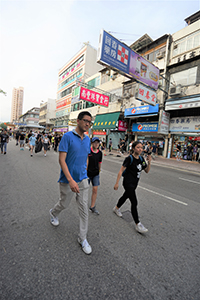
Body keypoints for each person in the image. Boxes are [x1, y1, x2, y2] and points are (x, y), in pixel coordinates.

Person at [49, 111, 92, 255]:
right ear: (78, 121)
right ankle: (54, 213)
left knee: (84, 209)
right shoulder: (67, 137)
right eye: (85, 121)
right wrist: (71, 180)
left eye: (90, 122)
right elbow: (61, 160)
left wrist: (84, 171)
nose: (88, 124)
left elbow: (86, 156)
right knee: (64, 204)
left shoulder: (87, 139)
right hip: (67, 180)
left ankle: (82, 238)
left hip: (83, 179)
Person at [113, 141, 151, 234]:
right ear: (133, 148)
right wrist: (117, 183)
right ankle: (138, 224)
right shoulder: (129, 158)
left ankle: (116, 208)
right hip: (127, 183)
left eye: (141, 147)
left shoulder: (141, 159)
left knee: (125, 196)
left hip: (134, 184)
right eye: (138, 147)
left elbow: (146, 171)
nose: (140, 149)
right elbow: (121, 171)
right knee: (134, 202)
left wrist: (149, 162)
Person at [87, 137, 103, 215]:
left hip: (96, 174)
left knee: (95, 190)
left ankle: (92, 206)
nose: (96, 144)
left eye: (97, 143)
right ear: (92, 143)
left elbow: (100, 163)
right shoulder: (88, 151)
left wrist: (99, 171)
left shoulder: (100, 153)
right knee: (84, 190)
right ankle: (81, 203)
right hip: (87, 174)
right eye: (94, 142)